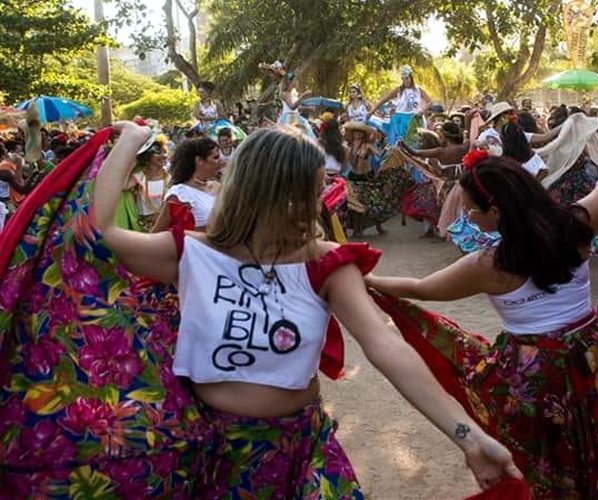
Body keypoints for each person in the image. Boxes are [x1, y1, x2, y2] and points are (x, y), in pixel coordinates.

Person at [92, 123, 521, 498]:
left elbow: (384, 344)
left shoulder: (327, 263)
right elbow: (100, 230)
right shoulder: (188, 252)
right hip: (211, 456)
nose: (323, 199)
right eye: (313, 188)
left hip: (304, 454)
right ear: (275, 190)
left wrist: (468, 436)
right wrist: (130, 140)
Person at [364, 103, 598, 498]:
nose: (468, 218)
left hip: (535, 375)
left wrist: (360, 277)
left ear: (496, 210)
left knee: (549, 463)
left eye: (471, 211)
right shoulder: (575, 224)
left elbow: (419, 288)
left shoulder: (488, 264)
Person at [151, 137, 222, 233]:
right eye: (216, 157)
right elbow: (157, 233)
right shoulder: (180, 194)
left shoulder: (218, 186)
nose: (221, 162)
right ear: (199, 160)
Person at [367, 66, 432, 146]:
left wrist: (422, 111)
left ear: (411, 77)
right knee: (397, 144)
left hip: (414, 119)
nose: (405, 81)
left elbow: (430, 101)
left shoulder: (418, 90)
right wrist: (371, 112)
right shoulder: (399, 90)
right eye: (403, 79)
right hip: (400, 120)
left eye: (407, 78)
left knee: (414, 144)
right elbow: (383, 100)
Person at [132, 134, 170, 231]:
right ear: (147, 157)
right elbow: (122, 186)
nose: (163, 156)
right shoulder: (139, 177)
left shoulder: (170, 178)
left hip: (165, 228)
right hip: (142, 229)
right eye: (158, 152)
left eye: (164, 152)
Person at [277, 72, 315, 138]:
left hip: (295, 116)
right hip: (288, 117)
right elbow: (292, 107)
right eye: (295, 80)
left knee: (307, 130)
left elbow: (297, 107)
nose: (297, 82)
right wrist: (302, 96)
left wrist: (308, 108)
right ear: (290, 82)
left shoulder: (293, 93)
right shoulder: (285, 94)